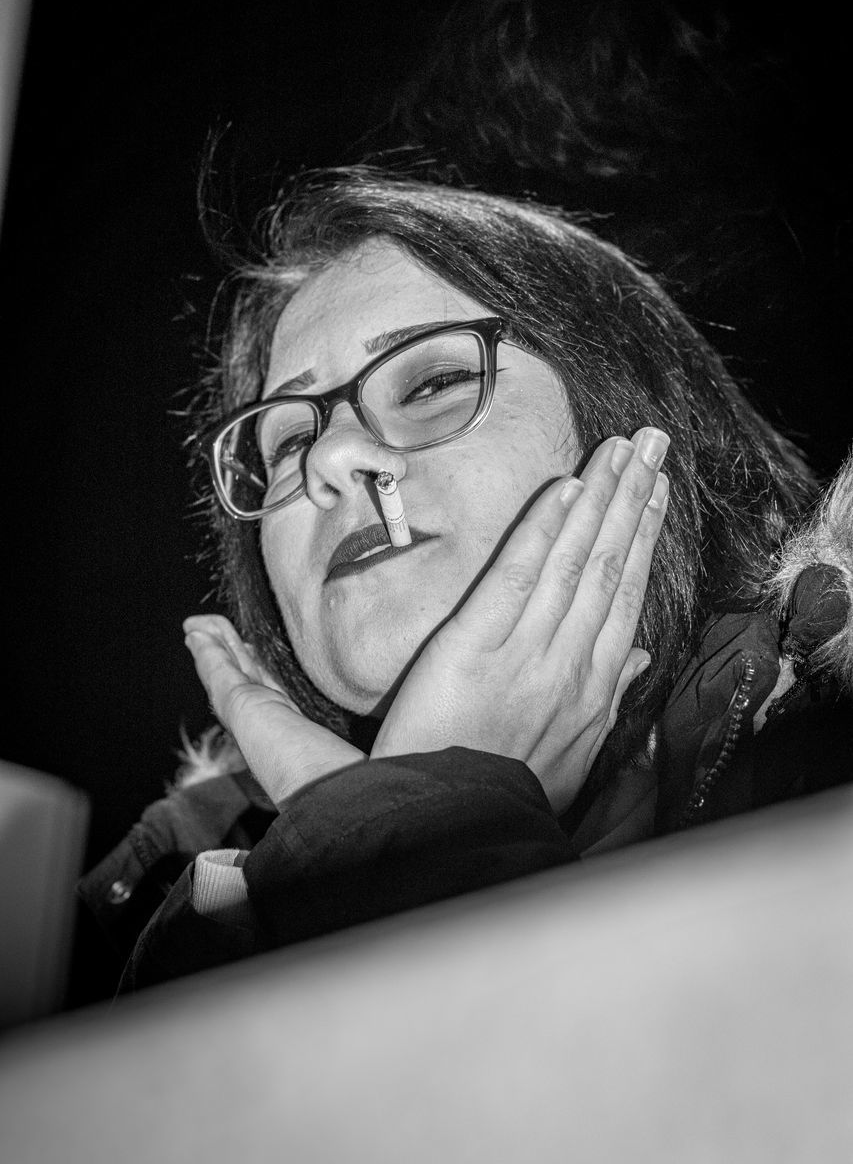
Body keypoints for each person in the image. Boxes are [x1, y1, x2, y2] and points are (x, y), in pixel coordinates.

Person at [78, 169, 852, 990]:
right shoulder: (157, 906)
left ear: (640, 418)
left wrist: (403, 837)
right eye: (286, 443)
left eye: (435, 382)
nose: (332, 459)